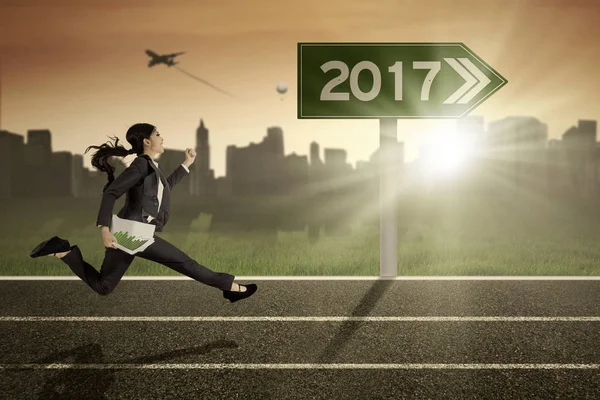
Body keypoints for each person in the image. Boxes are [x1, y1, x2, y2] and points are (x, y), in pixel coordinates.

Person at [30, 123, 256, 303]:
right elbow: (111, 193)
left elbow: (163, 186)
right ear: (148, 141)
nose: (162, 137)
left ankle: (63, 251)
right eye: (158, 134)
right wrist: (105, 229)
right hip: (133, 234)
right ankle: (231, 287)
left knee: (104, 286)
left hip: (130, 234)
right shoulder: (141, 165)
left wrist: (186, 164)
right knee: (187, 264)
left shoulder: (149, 166)